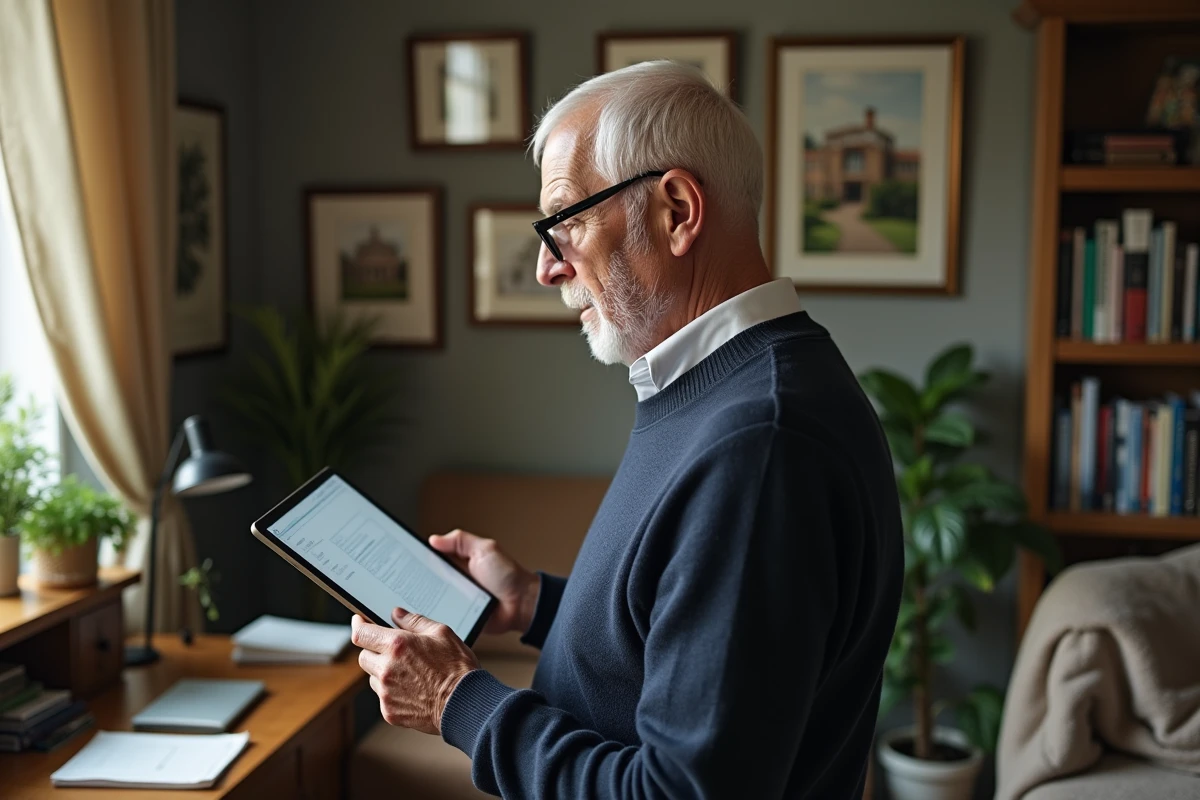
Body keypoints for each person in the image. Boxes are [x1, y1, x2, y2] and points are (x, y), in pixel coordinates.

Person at [351, 60, 903, 798]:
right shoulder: (732, 391)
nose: (548, 268)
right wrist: (534, 602)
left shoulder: (761, 445)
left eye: (566, 222)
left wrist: (460, 702)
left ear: (676, 211)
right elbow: (691, 649)